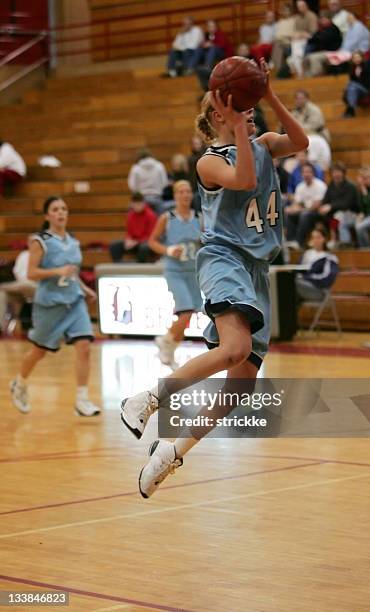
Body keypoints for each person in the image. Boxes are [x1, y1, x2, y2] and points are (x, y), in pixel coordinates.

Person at [120, 59, 308, 498]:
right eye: (239, 105)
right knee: (235, 348)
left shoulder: (262, 143)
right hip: (225, 258)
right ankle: (148, 398)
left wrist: (270, 95)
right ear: (219, 115)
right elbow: (242, 179)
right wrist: (242, 125)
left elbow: (300, 141)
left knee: (240, 386)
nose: (249, 110)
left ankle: (171, 451)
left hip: (256, 268)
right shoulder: (209, 162)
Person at [10, 196, 100, 416]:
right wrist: (56, 272)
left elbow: (72, 271)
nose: (61, 212)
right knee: (39, 351)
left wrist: (84, 288)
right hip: (50, 305)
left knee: (84, 347)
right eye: (55, 209)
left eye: (64, 209)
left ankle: (82, 399)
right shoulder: (40, 240)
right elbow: (31, 273)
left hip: (74, 301)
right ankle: (19, 383)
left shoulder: (73, 240)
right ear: (47, 215)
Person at [148, 180, 202, 369]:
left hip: (193, 271)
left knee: (189, 315)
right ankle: (165, 341)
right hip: (175, 271)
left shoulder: (199, 218)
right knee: (185, 310)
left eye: (188, 191)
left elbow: (206, 244)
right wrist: (169, 250)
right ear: (175, 195)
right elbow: (152, 242)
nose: (185, 195)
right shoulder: (167, 218)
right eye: (181, 191)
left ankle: (169, 350)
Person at [285, 162, 327, 246]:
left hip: (318, 213)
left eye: (308, 172)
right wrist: (292, 209)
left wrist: (300, 209)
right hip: (304, 211)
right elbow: (298, 203)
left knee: (304, 215)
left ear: (313, 173)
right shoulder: (300, 187)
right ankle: (290, 241)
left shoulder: (320, 185)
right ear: (301, 174)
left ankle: (299, 242)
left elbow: (317, 205)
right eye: (304, 172)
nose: (306, 174)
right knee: (289, 213)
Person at [319, 161, 360, 246]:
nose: (336, 175)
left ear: (343, 173)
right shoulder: (331, 186)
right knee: (319, 215)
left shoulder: (351, 186)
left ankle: (343, 243)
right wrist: (323, 207)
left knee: (338, 216)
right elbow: (325, 201)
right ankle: (325, 242)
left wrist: (331, 206)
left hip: (352, 213)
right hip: (335, 213)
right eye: (334, 172)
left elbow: (347, 204)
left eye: (338, 172)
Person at [109, 193, 157, 263]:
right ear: (131, 204)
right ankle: (118, 265)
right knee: (114, 245)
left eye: (139, 204)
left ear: (144, 203)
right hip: (134, 242)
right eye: (135, 204)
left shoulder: (151, 215)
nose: (137, 207)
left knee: (144, 247)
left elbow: (151, 235)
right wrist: (128, 240)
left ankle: (140, 266)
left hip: (145, 242)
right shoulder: (130, 215)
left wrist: (137, 242)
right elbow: (129, 232)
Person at [0, 245, 36, 334]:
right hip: (19, 287)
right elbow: (16, 272)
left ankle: (3, 286)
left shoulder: (48, 256)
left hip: (38, 287)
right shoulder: (24, 255)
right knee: (2, 294)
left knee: (26, 284)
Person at [296, 227, 339, 302]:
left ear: (324, 239)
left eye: (318, 237)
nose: (316, 240)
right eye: (313, 238)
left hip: (318, 290)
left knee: (290, 284)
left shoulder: (330, 258)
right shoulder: (306, 254)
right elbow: (297, 271)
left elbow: (327, 279)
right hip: (301, 285)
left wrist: (306, 277)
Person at [127, 148, 168, 213]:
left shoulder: (135, 168)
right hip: (157, 198)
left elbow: (132, 186)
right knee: (161, 220)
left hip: (141, 200)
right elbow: (164, 183)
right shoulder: (159, 166)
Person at [343, 51, 370, 118]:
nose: (357, 59)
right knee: (352, 87)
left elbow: (368, 82)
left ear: (362, 58)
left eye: (358, 57)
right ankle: (351, 109)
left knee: (351, 84)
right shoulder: (352, 69)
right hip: (356, 90)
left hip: (367, 89)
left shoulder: (366, 67)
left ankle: (350, 109)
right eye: (354, 58)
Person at [287, 0, 318, 78]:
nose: (300, 8)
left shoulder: (312, 16)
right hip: (299, 40)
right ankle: (299, 72)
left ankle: (300, 72)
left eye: (302, 6)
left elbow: (313, 32)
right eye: (299, 7)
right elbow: (294, 32)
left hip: (310, 40)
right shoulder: (297, 18)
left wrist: (301, 34)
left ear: (306, 6)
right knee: (293, 50)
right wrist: (298, 35)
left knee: (296, 53)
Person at [271, 3, 296, 77]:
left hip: (289, 43)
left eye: (286, 10)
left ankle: (276, 68)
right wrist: (280, 38)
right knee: (277, 45)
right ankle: (278, 70)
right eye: (283, 10)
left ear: (290, 11)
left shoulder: (294, 20)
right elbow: (277, 35)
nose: (285, 12)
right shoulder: (280, 22)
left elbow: (292, 34)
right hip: (280, 42)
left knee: (277, 46)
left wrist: (283, 37)